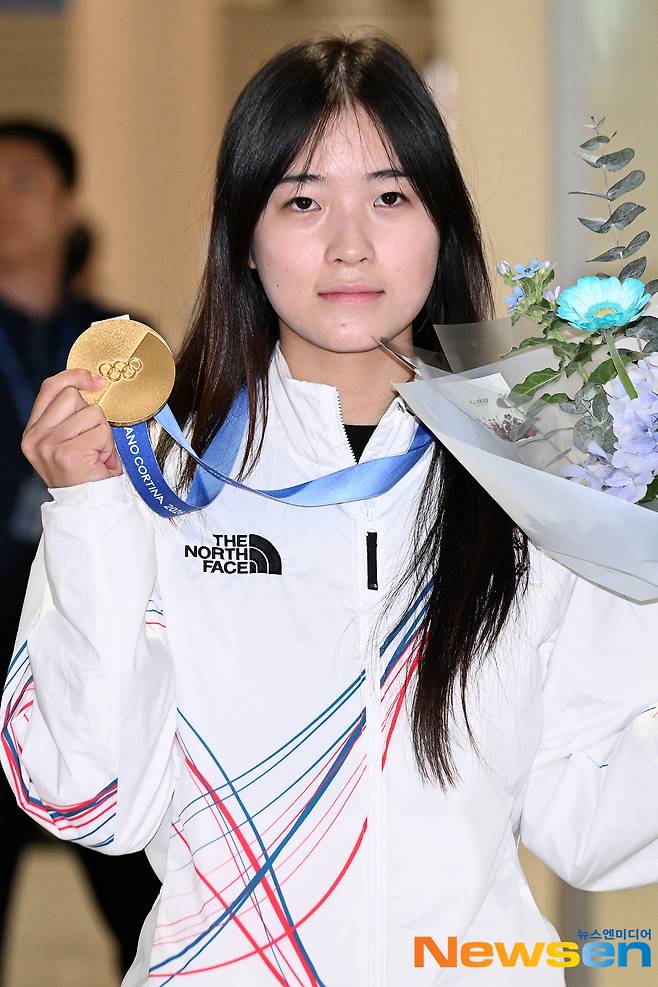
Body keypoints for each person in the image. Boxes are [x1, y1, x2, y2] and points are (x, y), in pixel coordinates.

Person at [3, 36, 658, 986]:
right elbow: (90, 795)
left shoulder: (535, 478)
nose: (350, 243)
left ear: (442, 225)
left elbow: (592, 818)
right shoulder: (154, 477)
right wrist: (91, 514)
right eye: (303, 201)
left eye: (391, 198)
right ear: (245, 235)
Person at [0, 118, 160, 978]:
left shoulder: (124, 344)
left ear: (68, 203)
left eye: (23, 182)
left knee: (141, 899)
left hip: (97, 630)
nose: (4, 202)